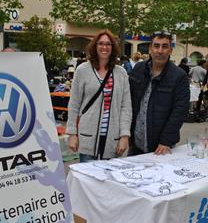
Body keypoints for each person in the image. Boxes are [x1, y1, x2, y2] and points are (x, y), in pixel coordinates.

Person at [66, 30, 132, 162]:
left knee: (108, 181)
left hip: (112, 139)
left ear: (113, 48)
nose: (104, 47)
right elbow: (74, 104)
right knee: (88, 181)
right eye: (100, 43)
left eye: (108, 44)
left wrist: (125, 136)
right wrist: (72, 134)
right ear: (95, 46)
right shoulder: (82, 70)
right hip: (87, 137)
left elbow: (126, 107)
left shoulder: (121, 73)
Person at [129, 31, 189, 155]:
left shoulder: (179, 76)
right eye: (156, 46)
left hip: (161, 146)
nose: (160, 51)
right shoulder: (138, 69)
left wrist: (166, 140)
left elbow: (180, 110)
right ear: (150, 49)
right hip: (136, 143)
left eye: (164, 46)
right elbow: (129, 102)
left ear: (171, 50)